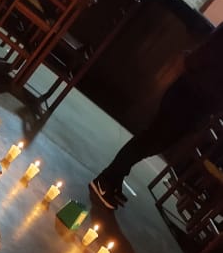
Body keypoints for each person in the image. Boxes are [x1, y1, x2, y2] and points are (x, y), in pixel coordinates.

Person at [90, 23, 223, 210]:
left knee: (155, 142)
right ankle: (106, 180)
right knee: (150, 140)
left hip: (198, 98)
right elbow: (204, 54)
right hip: (191, 93)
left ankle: (115, 176)